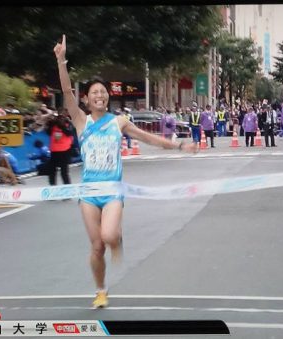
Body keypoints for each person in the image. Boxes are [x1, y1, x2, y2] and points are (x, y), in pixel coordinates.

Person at [54, 34, 198, 309]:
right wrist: (61, 61)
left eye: (103, 92)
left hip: (112, 191)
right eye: (94, 92)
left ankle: (117, 236)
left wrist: (178, 144)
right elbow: (67, 92)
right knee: (97, 246)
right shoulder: (81, 121)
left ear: (108, 97)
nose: (99, 95)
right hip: (88, 193)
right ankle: (100, 291)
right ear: (86, 99)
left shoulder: (118, 122)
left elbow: (148, 138)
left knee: (109, 237)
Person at [45, 111, 74, 185]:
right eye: (59, 118)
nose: (60, 119)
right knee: (52, 171)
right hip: (54, 151)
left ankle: (67, 189)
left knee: (64, 172)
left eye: (62, 118)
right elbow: (47, 132)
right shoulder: (53, 125)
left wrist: (63, 126)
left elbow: (70, 133)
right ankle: (53, 188)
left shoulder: (68, 124)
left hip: (65, 151)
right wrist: (50, 124)